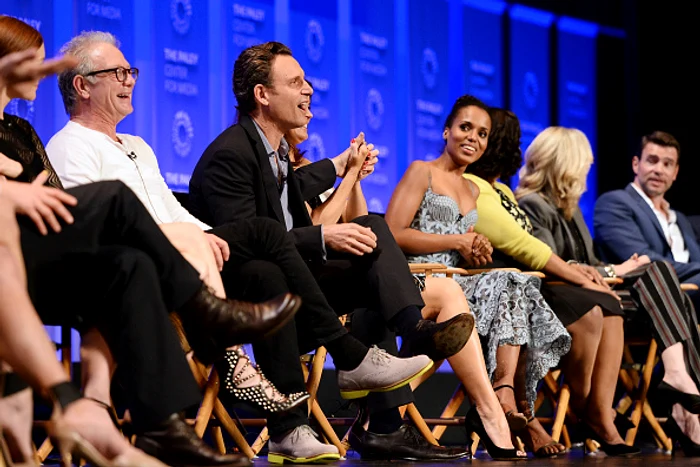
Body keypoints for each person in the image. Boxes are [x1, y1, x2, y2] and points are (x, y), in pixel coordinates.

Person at [0, 16, 299, 467]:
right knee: (117, 200)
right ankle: (207, 314)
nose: (45, 73)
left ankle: (162, 427)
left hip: (48, 253)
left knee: (131, 265)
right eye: (35, 63)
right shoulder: (67, 140)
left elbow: (56, 199)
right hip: (15, 261)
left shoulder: (21, 132)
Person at [189, 41, 469, 463]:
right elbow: (244, 239)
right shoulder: (229, 154)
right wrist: (324, 237)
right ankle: (303, 419)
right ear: (262, 95)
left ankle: (397, 382)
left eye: (306, 81)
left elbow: (294, 193)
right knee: (278, 270)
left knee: (371, 235)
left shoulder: (275, 152)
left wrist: (341, 169)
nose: (309, 91)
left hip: (299, 284)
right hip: (254, 297)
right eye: (296, 82)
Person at [285, 107, 529, 461]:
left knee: (453, 289)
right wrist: (348, 174)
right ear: (446, 132)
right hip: (314, 288)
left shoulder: (311, 172)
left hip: (364, 280)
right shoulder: (283, 176)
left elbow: (358, 224)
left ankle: (398, 419)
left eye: (482, 133)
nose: (307, 116)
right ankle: (477, 410)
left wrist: (354, 180)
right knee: (443, 290)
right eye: (300, 109)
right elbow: (319, 231)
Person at [384, 94, 571, 459]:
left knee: (515, 279)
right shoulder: (422, 170)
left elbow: (464, 250)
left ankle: (502, 390)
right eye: (465, 128)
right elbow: (392, 233)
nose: (473, 138)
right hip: (418, 283)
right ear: (446, 131)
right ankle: (505, 403)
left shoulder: (473, 188)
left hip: (458, 282)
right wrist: (458, 239)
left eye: (483, 134)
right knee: (509, 282)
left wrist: (477, 250)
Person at [516, 124, 700, 457]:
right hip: (556, 301)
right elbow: (550, 264)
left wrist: (612, 270)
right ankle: (674, 390)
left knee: (668, 287)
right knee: (655, 273)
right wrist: (618, 270)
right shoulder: (533, 205)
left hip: (594, 295)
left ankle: (682, 397)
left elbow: (588, 264)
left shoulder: (569, 210)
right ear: (566, 164)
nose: (588, 169)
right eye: (584, 163)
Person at [594, 130, 700, 309]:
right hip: (646, 295)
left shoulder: (679, 219)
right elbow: (645, 261)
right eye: (652, 161)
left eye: (667, 164)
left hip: (689, 291)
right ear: (636, 164)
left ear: (675, 172)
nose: (659, 170)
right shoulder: (614, 203)